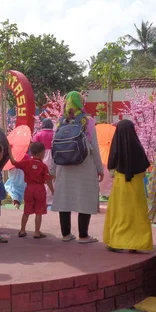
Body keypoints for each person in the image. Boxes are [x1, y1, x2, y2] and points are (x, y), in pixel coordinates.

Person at [51, 91, 104, 243]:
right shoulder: (88, 121)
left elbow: (54, 146)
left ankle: (66, 234)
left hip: (63, 165)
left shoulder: (60, 122)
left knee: (64, 199)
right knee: (84, 198)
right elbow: (94, 147)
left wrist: (53, 170)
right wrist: (100, 169)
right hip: (84, 165)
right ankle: (83, 236)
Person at [104, 119, 153, 252]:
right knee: (137, 213)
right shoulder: (137, 146)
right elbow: (145, 166)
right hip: (136, 185)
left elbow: (111, 166)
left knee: (119, 213)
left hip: (121, 184)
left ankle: (115, 241)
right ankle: (136, 243)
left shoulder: (116, 145)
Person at [9, 142, 54, 239]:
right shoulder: (43, 166)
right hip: (39, 189)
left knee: (26, 210)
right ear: (42, 153)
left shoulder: (26, 163)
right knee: (39, 211)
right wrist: (53, 191)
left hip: (29, 188)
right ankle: (37, 232)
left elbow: (13, 162)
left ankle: (22, 230)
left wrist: (9, 151)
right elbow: (48, 180)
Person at [33, 119, 55, 205]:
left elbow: (34, 147)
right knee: (51, 177)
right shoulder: (54, 134)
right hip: (53, 156)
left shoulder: (38, 134)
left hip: (40, 155)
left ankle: (41, 197)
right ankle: (51, 198)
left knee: (40, 177)